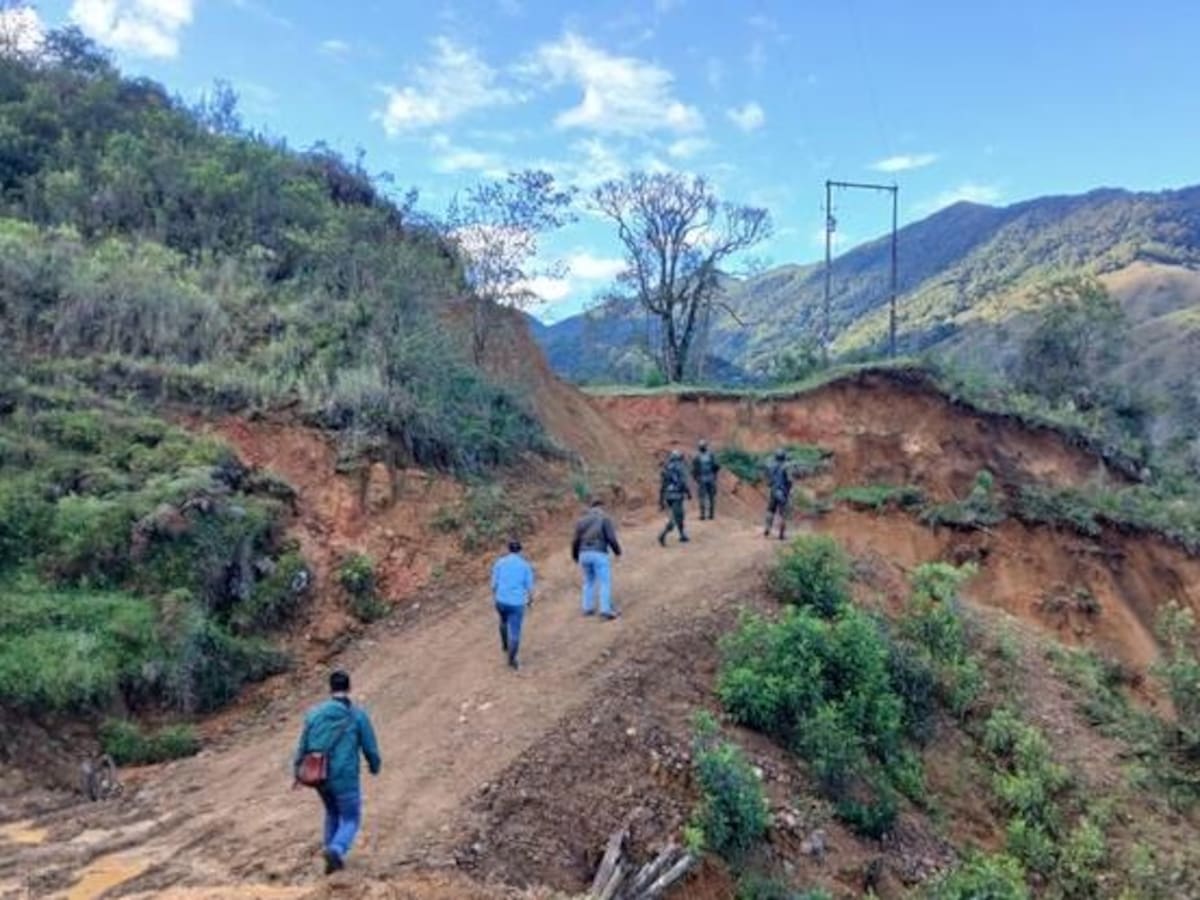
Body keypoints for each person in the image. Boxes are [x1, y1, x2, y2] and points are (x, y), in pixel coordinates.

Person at [293, 670, 382, 874]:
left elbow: (302, 745)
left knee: (332, 812)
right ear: (349, 688)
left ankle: (330, 860)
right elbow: (370, 747)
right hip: (345, 777)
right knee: (351, 818)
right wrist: (375, 766)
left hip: (319, 776)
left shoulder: (314, 714)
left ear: (330, 689)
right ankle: (336, 849)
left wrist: (297, 772)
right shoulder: (357, 715)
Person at [571, 497, 622, 619]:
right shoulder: (604, 518)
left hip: (583, 554)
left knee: (589, 581)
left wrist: (575, 555)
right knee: (604, 582)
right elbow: (611, 538)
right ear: (602, 507)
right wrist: (617, 552)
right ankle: (605, 610)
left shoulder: (581, 521)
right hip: (598, 552)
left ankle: (587, 608)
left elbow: (575, 540)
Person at [491, 538, 535, 670]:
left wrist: (496, 595)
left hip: (501, 600)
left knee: (503, 621)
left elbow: (493, 584)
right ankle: (512, 659)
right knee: (515, 631)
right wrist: (530, 600)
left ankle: (505, 644)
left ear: (508, 549)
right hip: (517, 603)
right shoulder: (525, 565)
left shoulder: (499, 563)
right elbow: (529, 587)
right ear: (520, 550)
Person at [658, 449, 693, 546]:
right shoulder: (680, 467)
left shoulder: (666, 468)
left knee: (679, 515)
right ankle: (663, 534)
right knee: (676, 517)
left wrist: (660, 501)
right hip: (677, 495)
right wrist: (688, 492)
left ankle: (682, 535)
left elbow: (662, 486)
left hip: (667, 495)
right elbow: (683, 482)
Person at [764, 448, 793, 540]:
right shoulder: (786, 467)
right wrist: (788, 491)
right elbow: (789, 481)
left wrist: (771, 486)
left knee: (770, 510)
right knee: (783, 513)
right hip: (782, 492)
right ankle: (781, 535)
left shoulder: (770, 466)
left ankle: (767, 528)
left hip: (773, 491)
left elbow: (768, 481)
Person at [692, 439, 721, 521]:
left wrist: (696, 478)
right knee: (707, 497)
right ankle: (708, 515)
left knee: (706, 497)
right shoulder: (704, 456)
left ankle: (705, 515)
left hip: (705, 478)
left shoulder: (700, 456)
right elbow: (717, 466)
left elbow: (694, 470)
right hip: (707, 478)